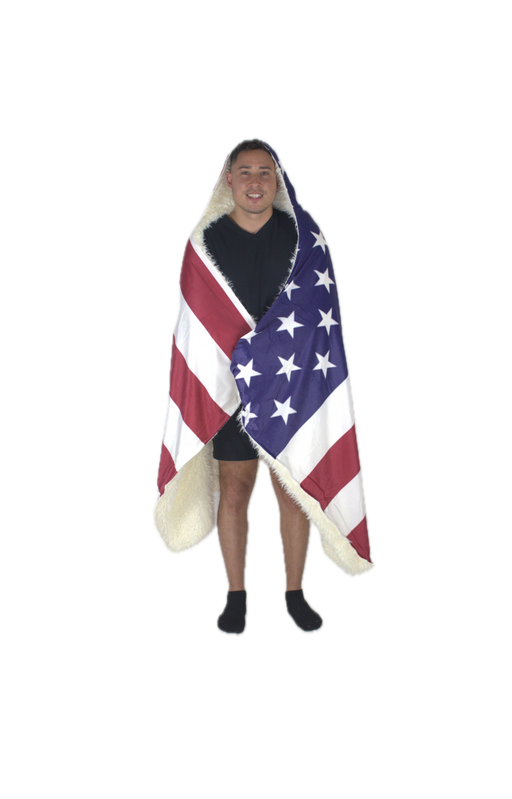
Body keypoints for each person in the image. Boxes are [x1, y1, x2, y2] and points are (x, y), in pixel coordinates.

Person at [205, 140, 326, 638]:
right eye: (245, 171)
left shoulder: (302, 239)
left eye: (264, 172)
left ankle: (295, 593)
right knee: (234, 490)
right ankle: (236, 596)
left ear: (278, 182)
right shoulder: (207, 242)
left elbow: (320, 317)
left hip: (288, 388)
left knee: (292, 493)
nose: (255, 182)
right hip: (231, 386)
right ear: (229, 180)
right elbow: (195, 324)